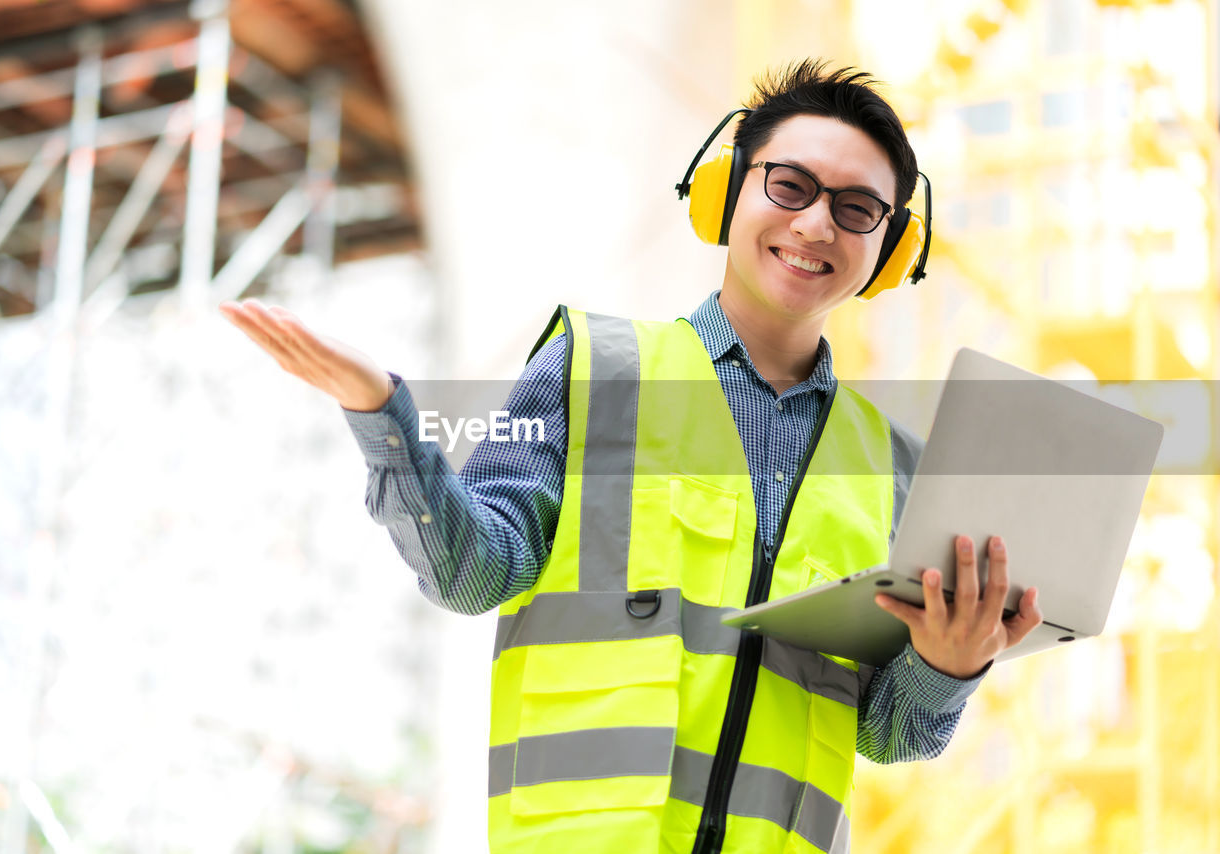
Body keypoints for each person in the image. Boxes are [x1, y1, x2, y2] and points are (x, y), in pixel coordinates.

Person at [220, 59, 1043, 854]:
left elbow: (886, 730)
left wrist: (949, 661)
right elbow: (472, 571)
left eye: (858, 209)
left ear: (887, 250)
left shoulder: (896, 466)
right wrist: (383, 415)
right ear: (727, 191)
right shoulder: (594, 372)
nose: (816, 223)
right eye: (789, 186)